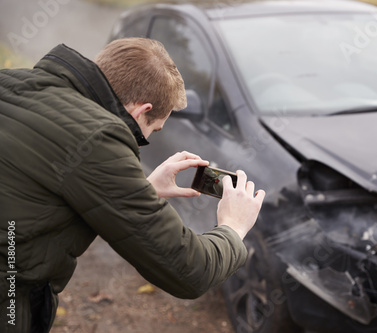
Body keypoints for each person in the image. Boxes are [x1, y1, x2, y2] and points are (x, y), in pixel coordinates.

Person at [0, 38, 265, 333]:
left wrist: (141, 190)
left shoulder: (10, 82)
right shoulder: (98, 139)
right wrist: (233, 227)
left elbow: (44, 189)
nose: (146, 139)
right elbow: (189, 270)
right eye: (151, 130)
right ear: (141, 111)